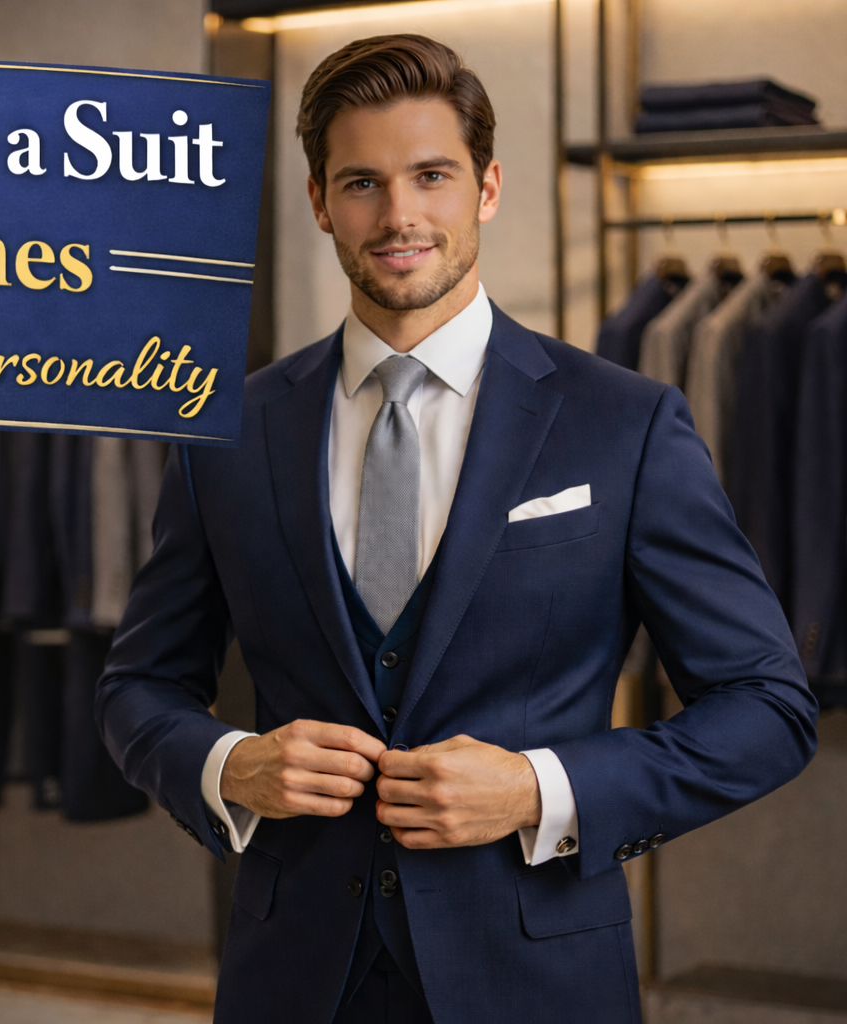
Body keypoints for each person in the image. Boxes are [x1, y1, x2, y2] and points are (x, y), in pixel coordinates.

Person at [95, 34, 816, 1024]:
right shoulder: (230, 428)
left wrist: (536, 788)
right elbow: (137, 688)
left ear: (485, 187)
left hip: (540, 983)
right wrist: (232, 764)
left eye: (431, 175)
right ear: (317, 201)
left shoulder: (624, 421)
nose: (399, 216)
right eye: (362, 183)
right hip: (293, 980)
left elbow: (769, 707)